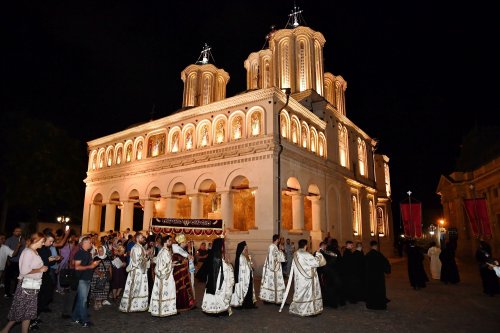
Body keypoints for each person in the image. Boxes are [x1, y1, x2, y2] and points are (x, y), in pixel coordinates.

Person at [1, 233, 47, 333]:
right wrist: (40, 269)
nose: (43, 244)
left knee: (27, 313)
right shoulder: (28, 252)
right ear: (35, 241)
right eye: (42, 241)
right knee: (19, 311)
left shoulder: (34, 251)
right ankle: (5, 330)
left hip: (32, 285)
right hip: (26, 286)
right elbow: (24, 271)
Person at [279, 239, 325, 317]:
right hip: (307, 279)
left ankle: (298, 309)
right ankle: (309, 311)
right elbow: (317, 262)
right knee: (308, 294)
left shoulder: (296, 253)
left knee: (300, 294)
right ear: (306, 246)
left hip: (299, 278)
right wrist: (318, 254)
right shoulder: (306, 254)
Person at [201, 238, 235, 316]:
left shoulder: (215, 254)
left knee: (216, 294)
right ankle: (216, 310)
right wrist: (229, 265)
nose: (224, 247)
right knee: (218, 294)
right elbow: (223, 268)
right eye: (222, 245)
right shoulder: (216, 255)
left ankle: (214, 309)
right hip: (217, 281)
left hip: (216, 279)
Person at [72, 236, 100, 327]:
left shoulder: (87, 253)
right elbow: (77, 267)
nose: (91, 244)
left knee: (81, 299)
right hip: (82, 279)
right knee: (83, 300)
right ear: (85, 243)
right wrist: (91, 266)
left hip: (87, 278)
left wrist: (94, 265)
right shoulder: (80, 253)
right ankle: (84, 320)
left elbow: (89, 265)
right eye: (90, 243)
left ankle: (75, 317)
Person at [119, 233, 150, 312]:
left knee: (140, 288)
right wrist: (145, 259)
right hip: (137, 271)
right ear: (137, 239)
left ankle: (139, 306)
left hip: (141, 270)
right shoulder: (136, 248)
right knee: (135, 288)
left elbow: (143, 258)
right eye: (141, 238)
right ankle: (131, 306)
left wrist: (147, 256)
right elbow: (137, 261)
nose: (143, 239)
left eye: (143, 238)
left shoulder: (141, 247)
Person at [149, 235, 177, 317]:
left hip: (166, 276)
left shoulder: (164, 251)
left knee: (168, 292)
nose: (171, 242)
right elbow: (161, 266)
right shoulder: (164, 251)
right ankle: (163, 310)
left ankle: (166, 309)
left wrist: (171, 264)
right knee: (164, 293)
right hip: (164, 277)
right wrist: (171, 266)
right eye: (169, 241)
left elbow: (158, 261)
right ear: (165, 242)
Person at [259, 234, 286, 304]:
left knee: (271, 283)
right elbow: (276, 257)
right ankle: (273, 299)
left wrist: (279, 250)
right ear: (277, 240)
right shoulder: (272, 247)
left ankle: (271, 298)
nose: (279, 241)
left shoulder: (273, 246)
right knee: (272, 283)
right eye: (279, 239)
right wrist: (281, 251)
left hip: (273, 268)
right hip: (273, 269)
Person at [171, 234, 196, 311]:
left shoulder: (182, 250)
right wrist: (187, 259)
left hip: (185, 272)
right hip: (179, 273)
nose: (186, 244)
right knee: (181, 287)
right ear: (181, 243)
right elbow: (177, 261)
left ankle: (189, 302)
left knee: (186, 286)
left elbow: (185, 258)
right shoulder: (176, 250)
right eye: (185, 242)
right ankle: (181, 304)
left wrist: (190, 257)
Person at [364, 240, 391, 310]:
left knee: (371, 290)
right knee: (379, 290)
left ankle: (371, 305)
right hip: (379, 277)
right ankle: (379, 305)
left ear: (370, 246)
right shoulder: (379, 255)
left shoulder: (367, 255)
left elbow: (364, 266)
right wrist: (387, 271)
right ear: (376, 246)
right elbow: (386, 263)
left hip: (370, 277)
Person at [231, 241, 257, 309]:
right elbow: (243, 268)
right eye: (245, 247)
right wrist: (249, 267)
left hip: (248, 277)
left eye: (246, 246)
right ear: (242, 248)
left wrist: (251, 263)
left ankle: (250, 304)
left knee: (249, 291)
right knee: (246, 290)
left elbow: (249, 265)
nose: (247, 248)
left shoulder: (246, 256)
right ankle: (245, 304)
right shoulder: (241, 257)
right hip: (244, 278)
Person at [317, 241, 343, 308]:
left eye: (326, 246)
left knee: (329, 288)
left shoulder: (326, 252)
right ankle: (329, 303)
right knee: (327, 288)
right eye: (325, 246)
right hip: (325, 273)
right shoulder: (319, 253)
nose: (326, 247)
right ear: (322, 246)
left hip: (328, 273)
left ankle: (330, 303)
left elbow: (335, 256)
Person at [4, 227, 25, 298]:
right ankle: (7, 292)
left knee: (18, 278)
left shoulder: (23, 240)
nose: (19, 233)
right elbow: (5, 251)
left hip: (20, 262)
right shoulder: (9, 240)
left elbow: (24, 250)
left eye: (20, 231)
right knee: (8, 278)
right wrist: (7, 261)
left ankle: (15, 292)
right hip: (11, 261)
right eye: (17, 231)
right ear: (13, 232)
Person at [90, 245, 112, 310]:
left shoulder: (107, 257)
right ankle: (96, 302)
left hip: (105, 276)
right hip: (97, 276)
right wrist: (99, 274)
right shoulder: (95, 258)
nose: (100, 252)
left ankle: (100, 302)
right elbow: (94, 267)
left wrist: (111, 275)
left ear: (104, 251)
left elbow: (110, 267)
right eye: (99, 251)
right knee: (97, 289)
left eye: (101, 251)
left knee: (104, 290)